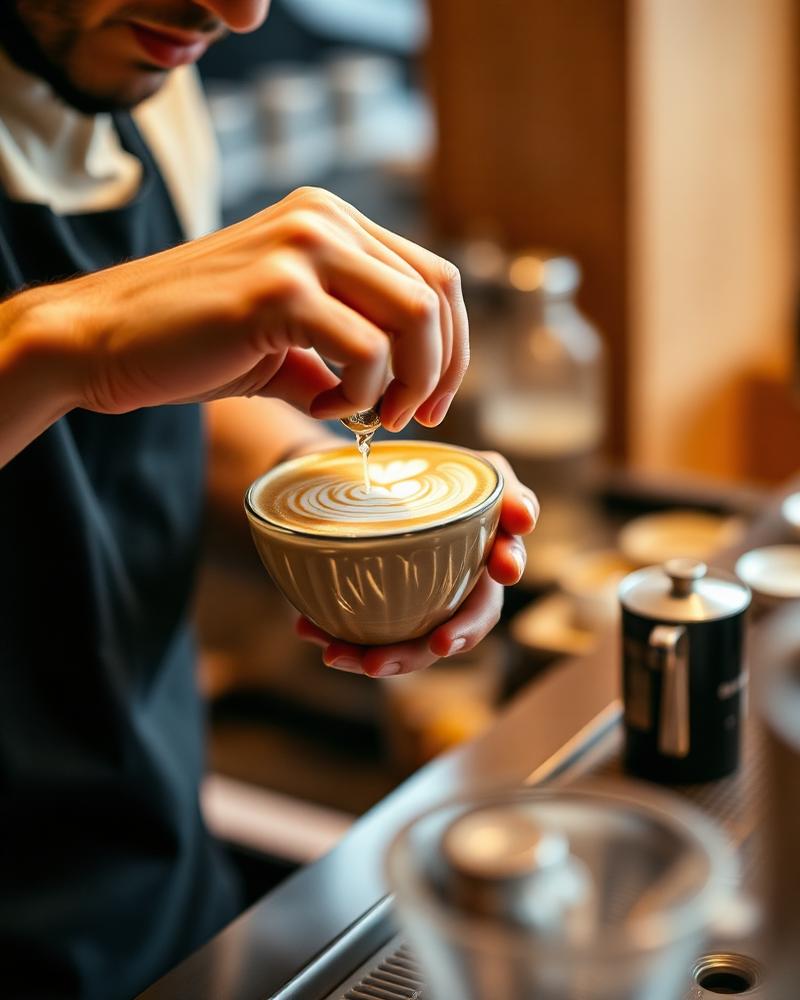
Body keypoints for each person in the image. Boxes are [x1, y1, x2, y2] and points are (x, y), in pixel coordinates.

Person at [0, 3, 539, 998]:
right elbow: (88, 360)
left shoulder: (147, 79)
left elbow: (145, 425)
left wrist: (350, 513)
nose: (239, 11)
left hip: (159, 890)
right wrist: (62, 339)